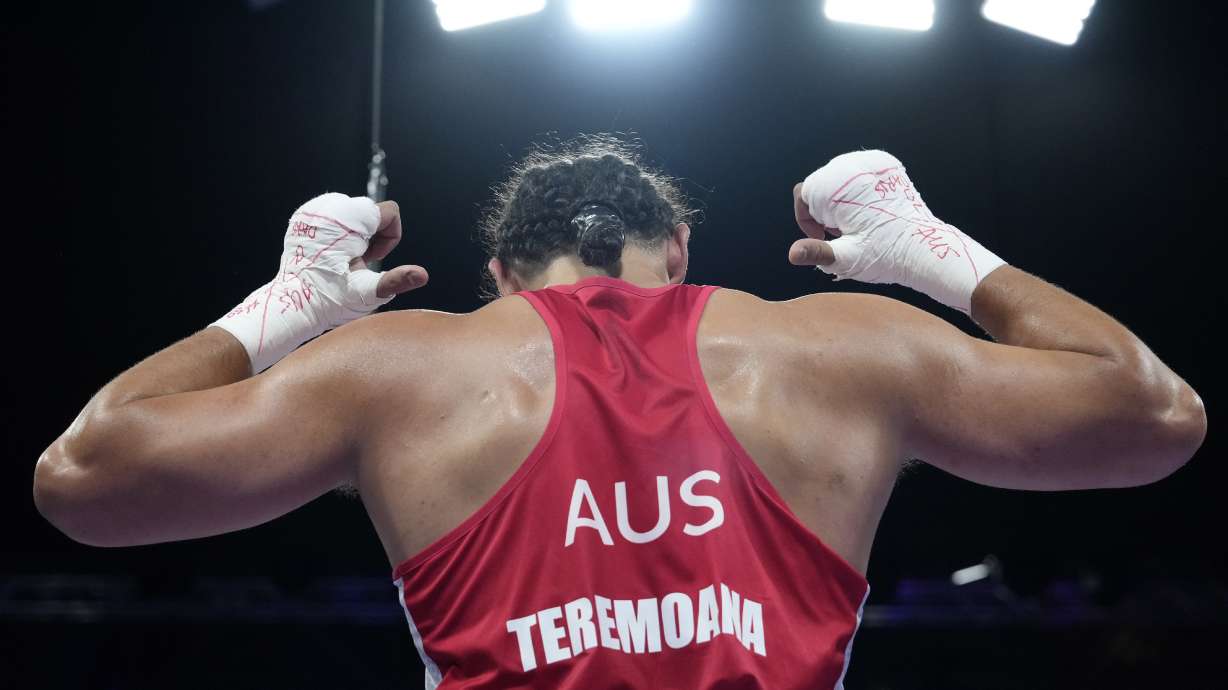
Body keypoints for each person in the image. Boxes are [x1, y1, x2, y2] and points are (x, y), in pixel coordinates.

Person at [33, 138, 1206, 689]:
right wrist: (927, 256)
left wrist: (282, 308)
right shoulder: (836, 351)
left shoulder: (398, 369)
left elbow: (84, 482)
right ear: (681, 248)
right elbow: (1151, 416)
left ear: (499, 271)